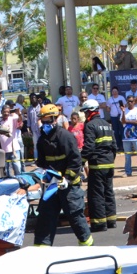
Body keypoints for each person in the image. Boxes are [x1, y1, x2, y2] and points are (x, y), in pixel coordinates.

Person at [34, 104, 93, 247]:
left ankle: (86, 245)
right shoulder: (42, 140)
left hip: (69, 185)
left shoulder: (65, 136)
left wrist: (67, 178)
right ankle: (41, 249)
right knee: (45, 215)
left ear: (55, 119)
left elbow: (75, 160)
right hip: (52, 185)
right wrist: (44, 174)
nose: (45, 124)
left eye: (48, 120)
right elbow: (42, 162)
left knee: (74, 215)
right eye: (43, 120)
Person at [81, 99, 117, 233]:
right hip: (109, 164)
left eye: (85, 112)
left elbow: (89, 147)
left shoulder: (90, 125)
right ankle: (111, 221)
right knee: (108, 192)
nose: (84, 115)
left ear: (89, 111)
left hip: (97, 165)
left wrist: (81, 160)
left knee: (96, 194)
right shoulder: (106, 124)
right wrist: (110, 160)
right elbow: (114, 146)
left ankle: (99, 223)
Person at [122, 95, 137, 176]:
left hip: (136, 136)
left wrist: (127, 121)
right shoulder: (124, 110)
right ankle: (128, 171)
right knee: (127, 155)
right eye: (128, 101)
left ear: (134, 102)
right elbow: (122, 122)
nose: (130, 103)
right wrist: (123, 111)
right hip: (126, 137)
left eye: (131, 101)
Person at [0, 103, 22, 175]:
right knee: (6, 171)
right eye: (4, 112)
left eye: (8, 112)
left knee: (17, 168)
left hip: (14, 149)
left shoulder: (12, 119)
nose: (6, 113)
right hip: (4, 150)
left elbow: (20, 122)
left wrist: (19, 114)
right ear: (1, 112)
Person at [107, 86, 127, 153]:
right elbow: (108, 108)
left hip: (121, 116)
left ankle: (123, 146)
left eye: (116, 91)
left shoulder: (121, 98)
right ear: (111, 92)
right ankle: (118, 146)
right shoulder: (110, 99)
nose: (114, 92)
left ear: (118, 91)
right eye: (113, 91)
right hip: (113, 117)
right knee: (115, 132)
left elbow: (125, 106)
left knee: (122, 131)